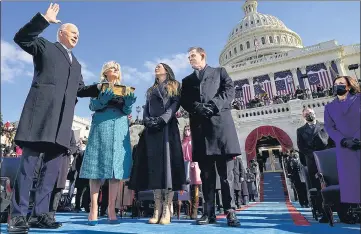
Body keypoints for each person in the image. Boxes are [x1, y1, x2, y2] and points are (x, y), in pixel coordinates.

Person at [8, 4, 100, 233]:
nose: (77, 35)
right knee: (29, 168)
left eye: (79, 34)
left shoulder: (77, 64)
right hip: (40, 118)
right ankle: (18, 216)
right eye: (73, 32)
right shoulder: (44, 46)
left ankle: (41, 215)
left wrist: (99, 88)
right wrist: (44, 20)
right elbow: (21, 37)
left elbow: (79, 89)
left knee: (50, 173)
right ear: (61, 33)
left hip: (62, 125)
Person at [180, 47, 241, 227]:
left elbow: (229, 91)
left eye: (192, 55)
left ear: (203, 55)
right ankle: (208, 212)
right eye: (188, 56)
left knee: (226, 176)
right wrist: (197, 107)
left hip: (221, 128)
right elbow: (184, 100)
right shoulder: (187, 80)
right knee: (206, 176)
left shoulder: (219, 72)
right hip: (201, 131)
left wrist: (213, 105)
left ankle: (230, 212)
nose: (190, 58)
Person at [79, 61, 136, 225]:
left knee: (115, 170)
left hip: (119, 128)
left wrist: (129, 104)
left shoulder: (125, 89)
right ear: (105, 72)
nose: (116, 69)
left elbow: (126, 111)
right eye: (112, 67)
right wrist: (102, 100)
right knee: (96, 168)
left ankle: (112, 208)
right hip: (101, 126)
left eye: (118, 68)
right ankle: (93, 207)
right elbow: (92, 106)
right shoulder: (99, 88)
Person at [129, 63, 186, 225]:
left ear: (166, 70)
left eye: (159, 66)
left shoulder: (175, 85)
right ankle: (157, 207)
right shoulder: (150, 90)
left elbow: (175, 104)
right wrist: (147, 121)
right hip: (152, 131)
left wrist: (163, 119)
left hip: (167, 128)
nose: (156, 68)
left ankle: (167, 207)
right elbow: (146, 107)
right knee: (154, 168)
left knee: (167, 168)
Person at [324, 76, 360, 205]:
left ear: (348, 86)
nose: (337, 85)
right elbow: (329, 127)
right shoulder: (329, 107)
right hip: (345, 148)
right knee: (353, 184)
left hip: (359, 143)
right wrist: (343, 140)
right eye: (335, 84)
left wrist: (357, 139)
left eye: (341, 83)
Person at [297, 107, 331, 222]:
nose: (309, 115)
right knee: (317, 186)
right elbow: (301, 147)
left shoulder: (324, 126)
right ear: (304, 117)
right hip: (312, 161)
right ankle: (323, 211)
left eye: (310, 113)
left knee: (331, 182)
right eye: (306, 114)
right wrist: (312, 155)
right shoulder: (300, 130)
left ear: (314, 113)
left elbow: (331, 141)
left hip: (327, 159)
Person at [181, 125, 202, 219]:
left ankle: (194, 210)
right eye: (185, 130)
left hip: (194, 164)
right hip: (184, 165)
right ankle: (186, 210)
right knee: (184, 188)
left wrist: (194, 160)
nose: (187, 131)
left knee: (195, 187)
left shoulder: (193, 141)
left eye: (189, 129)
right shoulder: (182, 142)